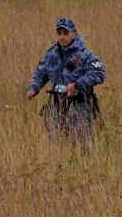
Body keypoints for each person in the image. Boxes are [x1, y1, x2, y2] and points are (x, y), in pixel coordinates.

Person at [28, 17, 106, 147]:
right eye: (59, 33)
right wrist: (34, 88)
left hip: (79, 105)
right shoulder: (51, 54)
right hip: (57, 105)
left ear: (74, 34)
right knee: (55, 145)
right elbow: (40, 73)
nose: (62, 37)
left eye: (66, 33)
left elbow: (99, 74)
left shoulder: (85, 55)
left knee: (82, 146)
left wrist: (77, 85)